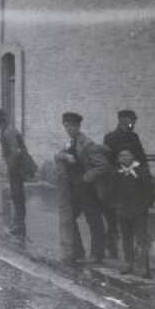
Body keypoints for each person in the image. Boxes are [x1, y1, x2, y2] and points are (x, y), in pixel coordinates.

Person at [55, 112, 109, 263]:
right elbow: (58, 155)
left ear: (78, 126)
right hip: (74, 189)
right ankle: (78, 252)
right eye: (66, 126)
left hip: (88, 189)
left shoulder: (87, 144)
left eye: (71, 126)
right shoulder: (70, 143)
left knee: (94, 221)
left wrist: (87, 177)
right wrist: (64, 156)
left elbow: (102, 166)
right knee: (70, 218)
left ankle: (97, 254)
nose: (68, 129)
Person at [102, 109, 149, 259]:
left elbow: (141, 158)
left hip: (133, 182)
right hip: (117, 181)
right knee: (113, 216)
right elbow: (107, 161)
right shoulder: (110, 137)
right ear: (122, 120)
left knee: (132, 217)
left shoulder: (134, 137)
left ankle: (131, 252)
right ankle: (112, 247)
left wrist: (144, 175)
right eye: (131, 120)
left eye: (134, 121)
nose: (133, 123)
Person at [110, 149, 155, 278]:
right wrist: (116, 205)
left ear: (133, 157)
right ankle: (128, 263)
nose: (124, 158)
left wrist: (146, 204)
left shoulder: (141, 172)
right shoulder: (116, 174)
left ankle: (143, 266)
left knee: (141, 238)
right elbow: (111, 192)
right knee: (126, 238)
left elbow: (150, 190)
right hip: (123, 210)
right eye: (121, 156)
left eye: (127, 155)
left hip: (138, 211)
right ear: (118, 159)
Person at [0, 108, 27, 236]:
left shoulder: (8, 132)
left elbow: (16, 152)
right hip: (15, 167)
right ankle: (18, 223)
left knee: (17, 195)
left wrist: (10, 168)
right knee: (17, 195)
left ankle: (20, 225)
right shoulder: (6, 130)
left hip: (17, 168)